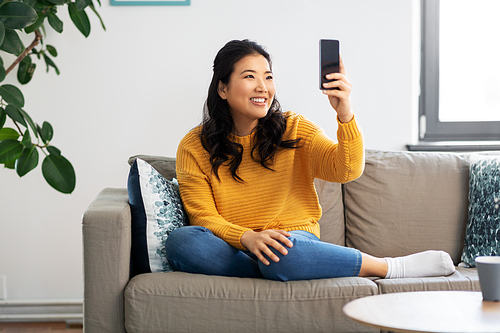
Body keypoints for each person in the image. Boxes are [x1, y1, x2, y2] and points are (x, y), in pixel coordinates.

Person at [165, 39, 455, 281]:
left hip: (295, 243)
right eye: (249, 76)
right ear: (223, 88)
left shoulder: (294, 128)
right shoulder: (194, 146)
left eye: (268, 77)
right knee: (182, 241)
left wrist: (345, 114)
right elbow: (203, 217)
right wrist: (249, 239)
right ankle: (273, 269)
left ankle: (388, 267)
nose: (263, 87)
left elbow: (347, 169)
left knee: (282, 255)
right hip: (236, 247)